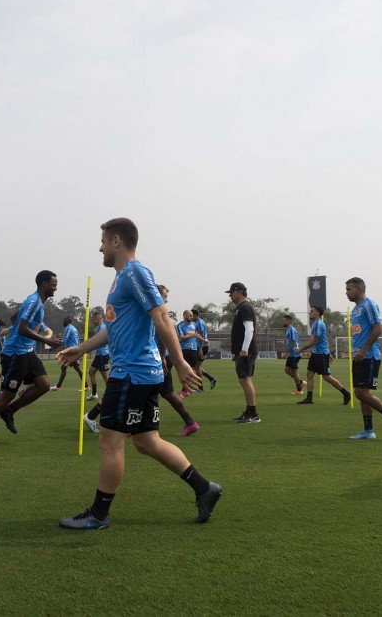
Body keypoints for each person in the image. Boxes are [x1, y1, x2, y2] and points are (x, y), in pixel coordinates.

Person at [58, 218, 221, 530]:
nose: (101, 247)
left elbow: (161, 315)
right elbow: (113, 330)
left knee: (109, 442)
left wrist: (181, 362)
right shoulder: (120, 280)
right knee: (147, 441)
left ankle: (98, 515)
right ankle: (205, 488)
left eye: (104, 241)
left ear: (117, 241)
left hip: (132, 373)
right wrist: (80, 348)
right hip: (139, 373)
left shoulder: (134, 272)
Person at [84, 283, 201, 437]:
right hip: (149, 361)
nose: (166, 300)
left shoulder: (156, 312)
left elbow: (163, 337)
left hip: (153, 361)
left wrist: (166, 359)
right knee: (157, 393)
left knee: (154, 393)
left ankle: (106, 420)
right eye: (164, 296)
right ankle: (126, 424)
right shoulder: (149, 310)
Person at [0, 271, 63, 444]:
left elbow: (14, 318)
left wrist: (25, 335)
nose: (56, 287)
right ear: (43, 284)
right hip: (15, 354)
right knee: (7, 394)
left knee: (43, 385)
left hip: (27, 351)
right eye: (53, 284)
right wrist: (45, 339)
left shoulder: (37, 302)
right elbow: (21, 328)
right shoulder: (34, 301)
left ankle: (10, 411)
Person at [345, 278, 382, 440]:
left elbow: (378, 328)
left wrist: (364, 349)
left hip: (369, 356)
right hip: (359, 356)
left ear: (360, 288)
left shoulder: (368, 305)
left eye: (349, 289)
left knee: (361, 392)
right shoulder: (356, 309)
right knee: (362, 393)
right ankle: (368, 430)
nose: (346, 292)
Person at [296, 306, 351, 405]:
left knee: (326, 377)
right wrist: (329, 353)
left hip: (320, 354)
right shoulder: (315, 324)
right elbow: (324, 339)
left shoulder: (318, 324)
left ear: (318, 313)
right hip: (316, 353)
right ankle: (309, 398)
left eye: (312, 311)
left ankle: (346, 394)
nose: (310, 313)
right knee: (309, 373)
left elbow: (315, 341)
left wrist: (301, 349)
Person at [227, 283, 261, 423]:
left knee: (245, 380)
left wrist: (245, 348)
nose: (230, 295)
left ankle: (252, 413)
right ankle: (249, 410)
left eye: (231, 292)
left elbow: (249, 329)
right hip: (242, 352)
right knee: (244, 380)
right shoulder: (240, 308)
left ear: (239, 292)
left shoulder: (245, 307)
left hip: (247, 351)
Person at [51, 317, 85, 391]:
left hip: (71, 352)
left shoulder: (68, 328)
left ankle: (86, 386)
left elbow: (64, 340)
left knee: (77, 369)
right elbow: (78, 340)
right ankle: (58, 386)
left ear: (66, 321)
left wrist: (54, 342)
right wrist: (80, 352)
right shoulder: (74, 328)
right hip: (74, 350)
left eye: (63, 321)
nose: (63, 322)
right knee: (65, 367)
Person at [176, 310, 202, 398]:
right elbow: (181, 337)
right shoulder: (180, 325)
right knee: (185, 370)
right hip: (184, 349)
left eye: (192, 315)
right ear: (185, 315)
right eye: (190, 315)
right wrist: (193, 335)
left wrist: (200, 347)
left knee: (192, 369)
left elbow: (198, 335)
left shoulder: (194, 325)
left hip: (193, 349)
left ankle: (185, 390)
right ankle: (186, 389)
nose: (192, 317)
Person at [191, 308, 218, 391]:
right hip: (199, 346)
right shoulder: (196, 322)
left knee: (197, 367)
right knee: (196, 366)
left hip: (201, 347)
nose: (191, 317)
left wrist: (200, 349)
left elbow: (201, 336)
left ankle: (200, 387)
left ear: (195, 315)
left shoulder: (199, 323)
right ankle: (211, 379)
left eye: (192, 315)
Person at [86, 311, 110, 400]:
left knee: (106, 378)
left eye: (93, 319)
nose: (92, 321)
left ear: (97, 318)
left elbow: (101, 342)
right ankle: (94, 393)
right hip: (98, 354)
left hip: (103, 355)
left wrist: (89, 348)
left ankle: (110, 396)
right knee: (91, 372)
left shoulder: (103, 327)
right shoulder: (97, 328)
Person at [282, 314, 306, 395]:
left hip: (294, 354)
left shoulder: (291, 329)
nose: (283, 322)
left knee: (294, 372)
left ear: (289, 321)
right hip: (292, 354)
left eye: (284, 320)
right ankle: (301, 382)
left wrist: (287, 352)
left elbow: (292, 342)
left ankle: (299, 390)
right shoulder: (289, 329)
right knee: (287, 370)